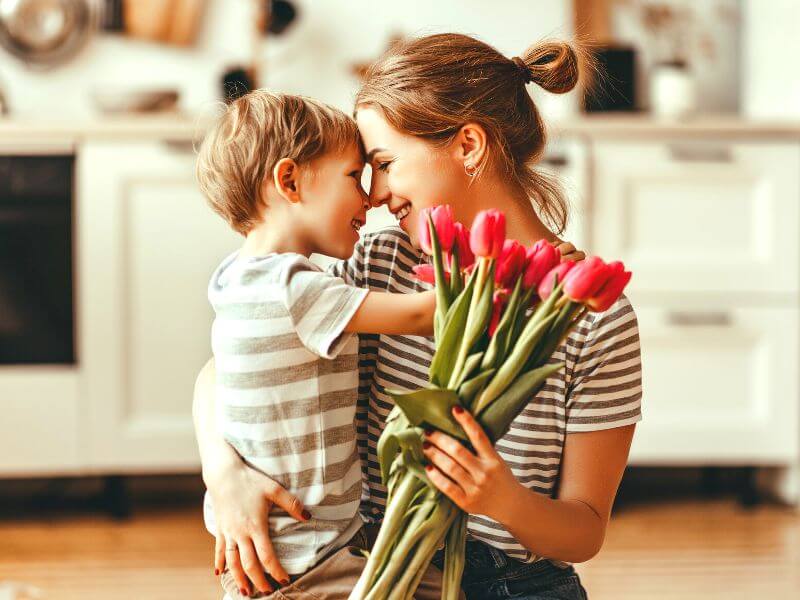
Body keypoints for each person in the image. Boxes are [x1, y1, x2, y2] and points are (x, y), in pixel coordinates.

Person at [195, 33, 641, 600]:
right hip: (371, 566)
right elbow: (230, 363)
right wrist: (224, 474)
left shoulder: (592, 317)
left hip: (512, 584)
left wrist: (501, 497)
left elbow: (584, 532)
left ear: (469, 145)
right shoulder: (380, 263)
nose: (375, 195)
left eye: (383, 163)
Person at [196, 90, 441, 599]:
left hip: (284, 549)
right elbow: (422, 315)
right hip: (307, 557)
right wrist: (522, 269)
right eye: (355, 176)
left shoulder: (235, 277)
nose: (370, 198)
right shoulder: (295, 290)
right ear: (289, 181)